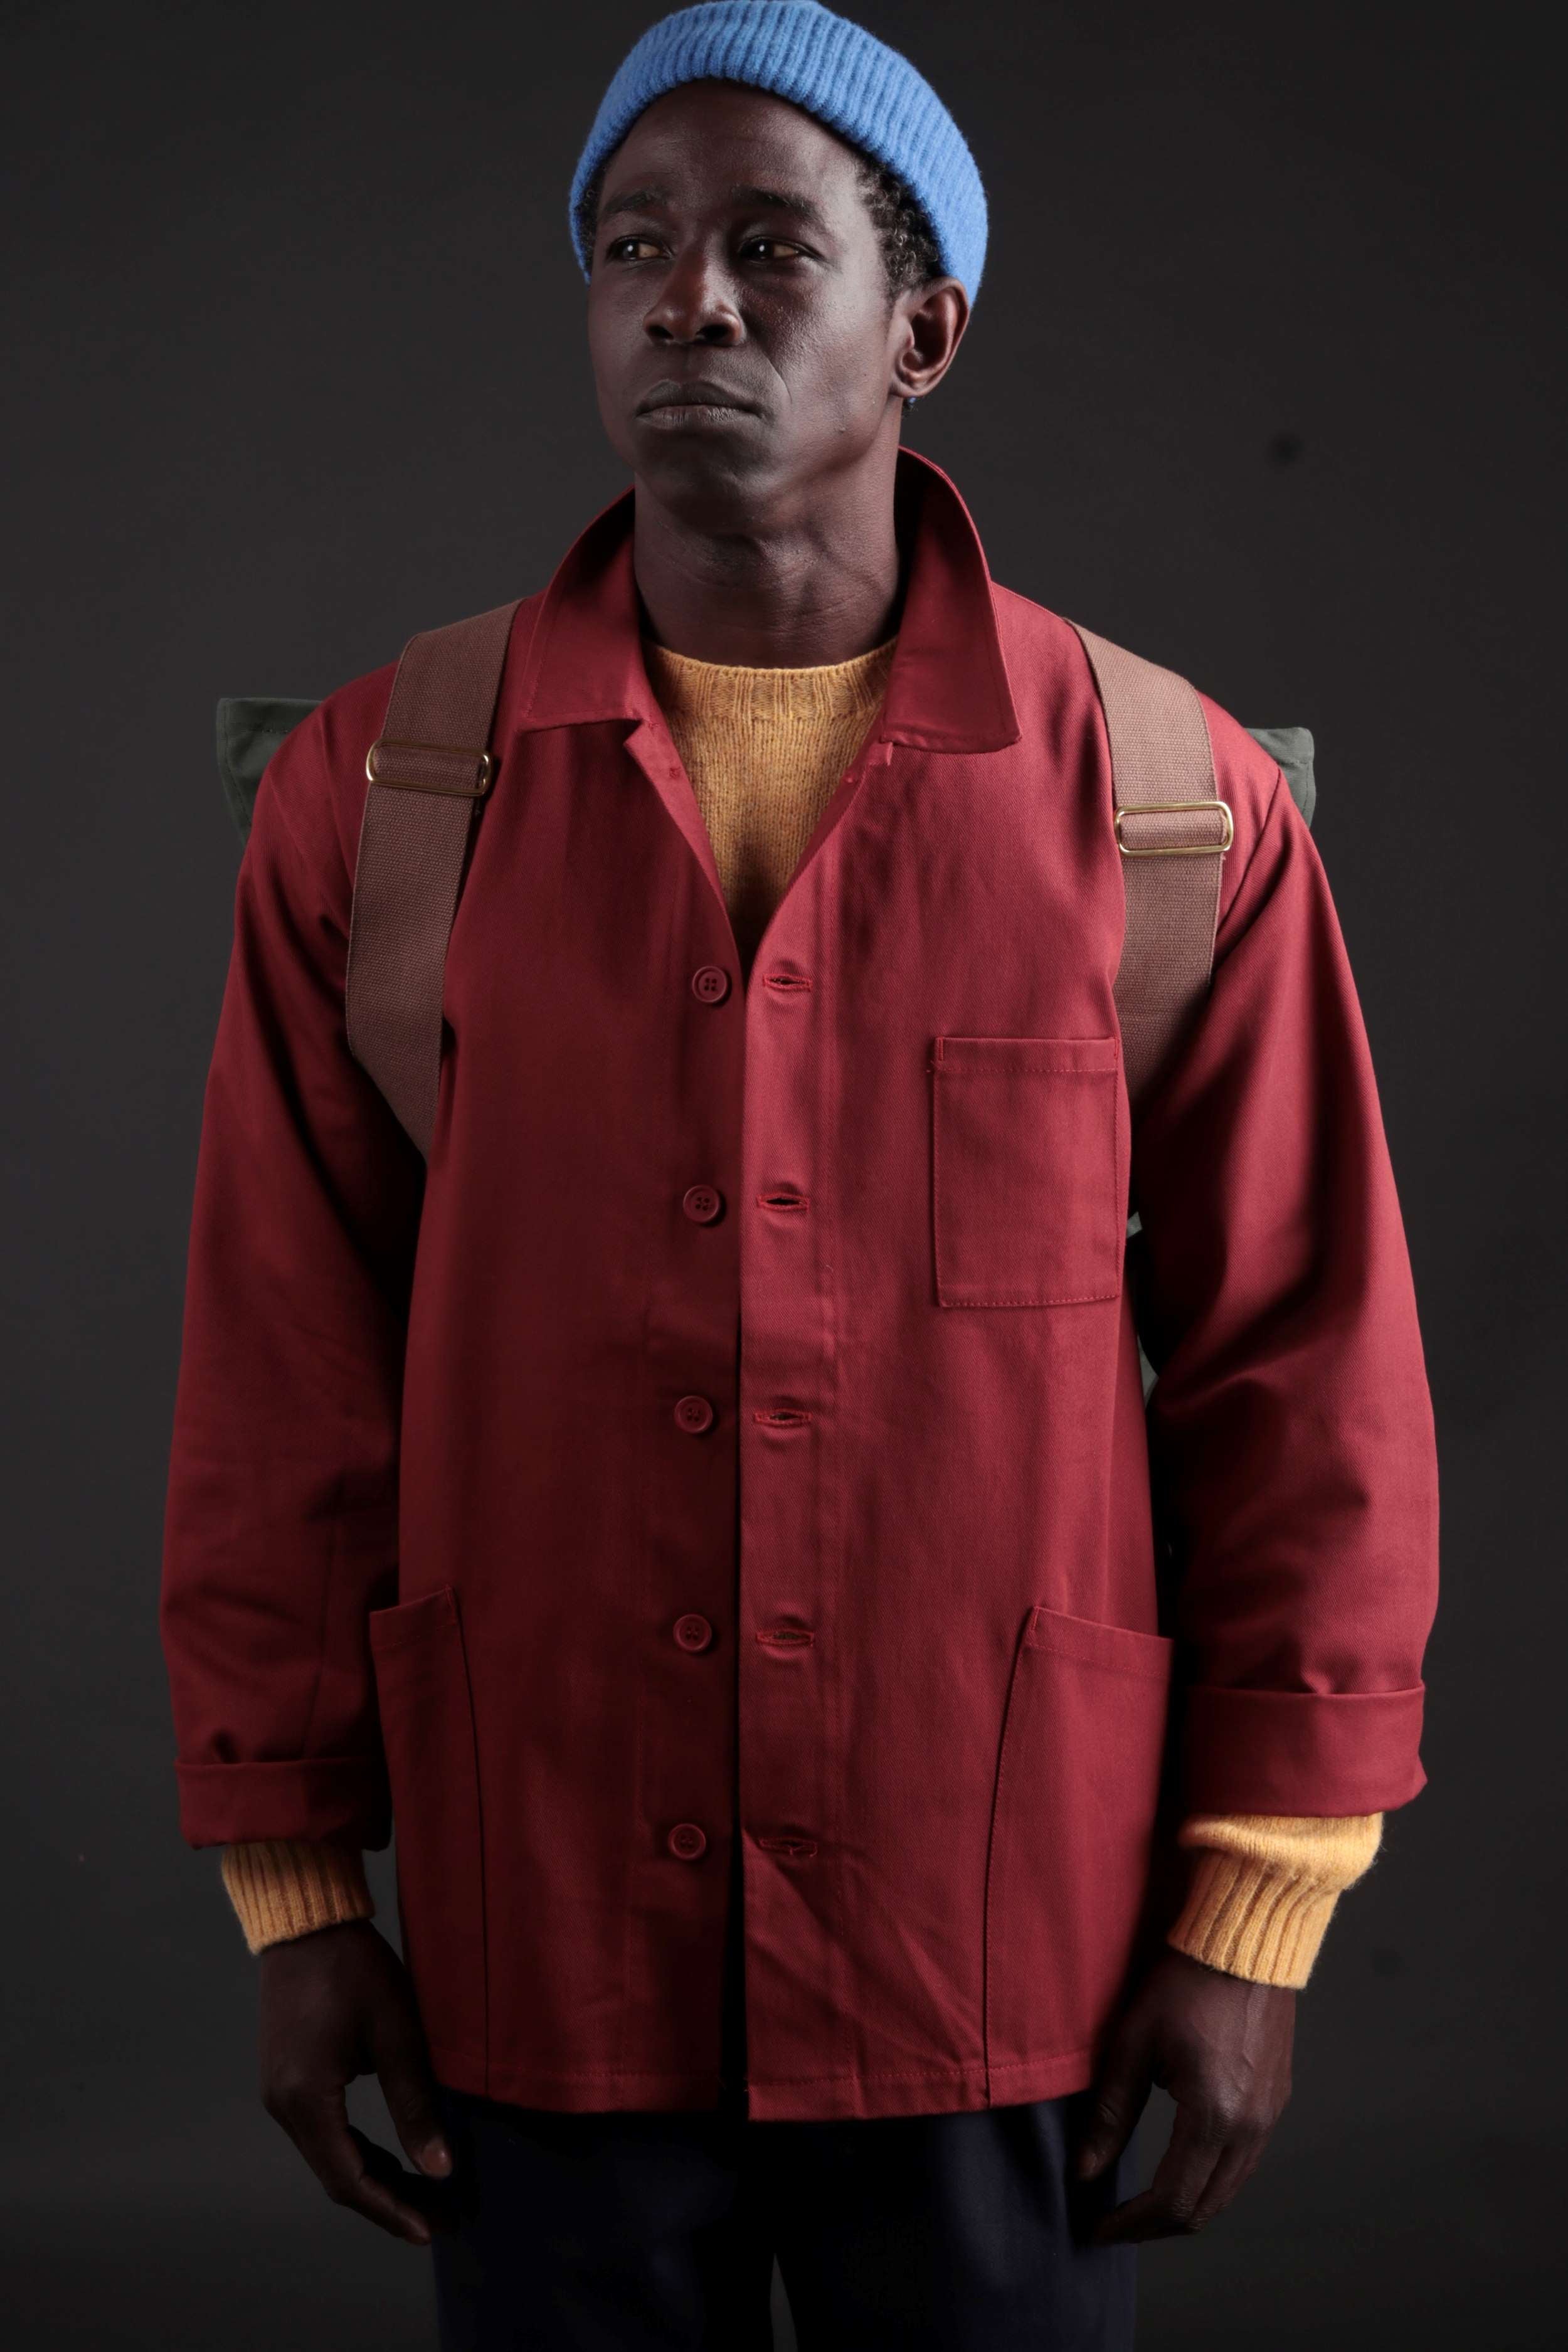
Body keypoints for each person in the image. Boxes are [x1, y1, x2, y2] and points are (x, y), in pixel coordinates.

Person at [159, 5, 1439, 2345]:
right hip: (532, 1931)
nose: (689, 302)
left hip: (997, 1936)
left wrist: (1252, 1911)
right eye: (633, 247)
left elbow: (1305, 1377)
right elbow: (283, 1367)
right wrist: (299, 1895)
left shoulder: (1165, 811)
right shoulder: (381, 794)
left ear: (921, 325)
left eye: (768, 244)